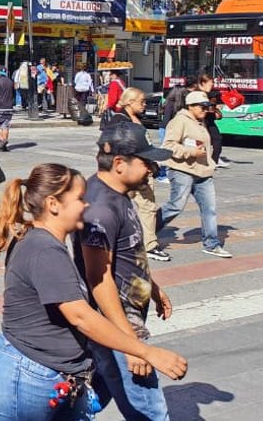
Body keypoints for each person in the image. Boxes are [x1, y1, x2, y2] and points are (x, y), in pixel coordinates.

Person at [0, 164, 188, 420]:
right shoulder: (44, 250)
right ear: (53, 204)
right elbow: (81, 317)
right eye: (79, 199)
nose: (86, 205)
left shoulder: (40, 241)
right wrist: (144, 351)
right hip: (26, 376)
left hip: (49, 373)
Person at [74, 121, 177, 420]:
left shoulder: (118, 194)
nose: (152, 169)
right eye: (146, 162)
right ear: (119, 163)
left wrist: (153, 288)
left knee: (99, 392)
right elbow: (99, 279)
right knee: (151, 412)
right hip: (118, 326)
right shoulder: (100, 209)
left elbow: (126, 254)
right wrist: (132, 345)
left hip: (123, 322)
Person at [160, 90, 231, 258]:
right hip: (182, 170)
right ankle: (147, 230)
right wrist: (191, 152)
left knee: (209, 209)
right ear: (190, 106)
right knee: (176, 205)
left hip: (203, 172)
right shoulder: (179, 121)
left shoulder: (201, 121)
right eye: (202, 106)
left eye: (207, 106)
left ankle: (211, 244)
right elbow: (168, 146)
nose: (205, 109)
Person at [101, 88, 169, 262]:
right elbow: (108, 147)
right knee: (119, 206)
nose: (144, 105)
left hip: (141, 171)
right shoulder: (118, 120)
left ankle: (149, 244)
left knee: (147, 206)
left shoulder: (135, 118)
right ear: (130, 102)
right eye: (141, 101)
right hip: (128, 172)